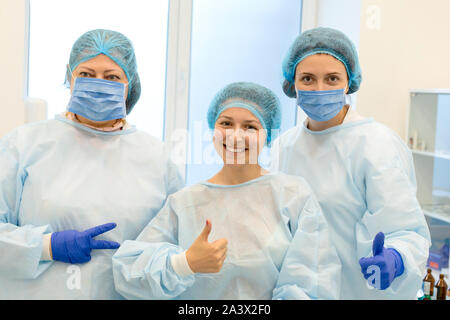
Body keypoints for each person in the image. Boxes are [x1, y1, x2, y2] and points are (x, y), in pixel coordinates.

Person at [112, 82, 341, 300]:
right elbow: (128, 273)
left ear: (267, 134)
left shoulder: (293, 196)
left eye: (250, 126)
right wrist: (185, 264)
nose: (235, 135)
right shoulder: (185, 203)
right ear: (213, 130)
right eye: (226, 124)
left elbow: (313, 282)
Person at [0, 29, 184, 299]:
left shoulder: (158, 160)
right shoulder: (24, 145)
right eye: (86, 74)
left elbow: (174, 255)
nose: (99, 84)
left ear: (130, 84)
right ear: (69, 76)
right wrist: (45, 246)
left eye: (112, 77)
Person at [271, 27, 431, 299]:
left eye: (332, 78)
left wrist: (395, 258)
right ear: (291, 84)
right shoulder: (284, 146)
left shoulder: (376, 144)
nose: (319, 89)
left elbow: (406, 230)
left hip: (361, 291)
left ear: (348, 83)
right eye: (307, 79)